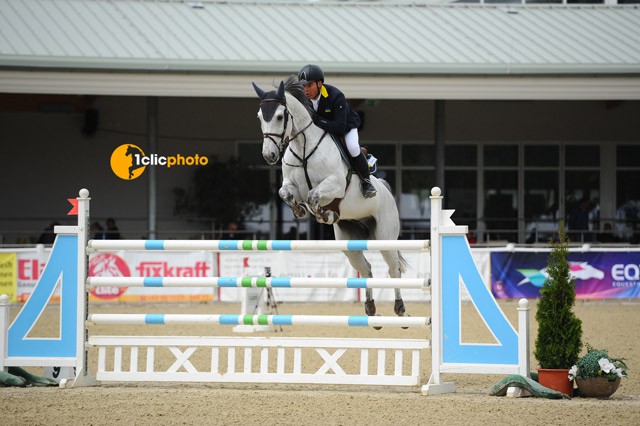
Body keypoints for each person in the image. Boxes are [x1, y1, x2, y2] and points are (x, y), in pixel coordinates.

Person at [297, 64, 376, 198]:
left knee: (352, 147)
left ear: (319, 83)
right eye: (303, 86)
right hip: (323, 129)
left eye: (309, 85)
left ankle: (366, 182)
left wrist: (317, 120)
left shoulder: (335, 95)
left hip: (346, 127)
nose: (305, 90)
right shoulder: (304, 100)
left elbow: (339, 126)